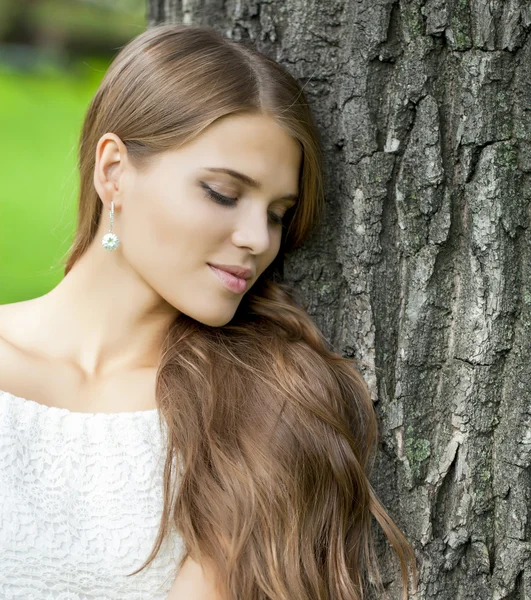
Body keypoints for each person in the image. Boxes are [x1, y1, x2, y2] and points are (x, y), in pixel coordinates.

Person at [0, 24, 418, 600]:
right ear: (114, 171)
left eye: (277, 213)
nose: (257, 239)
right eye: (223, 193)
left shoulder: (255, 406)